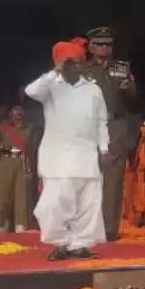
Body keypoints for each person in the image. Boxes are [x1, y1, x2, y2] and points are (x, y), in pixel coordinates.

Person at [25, 40, 109, 259]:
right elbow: (30, 90)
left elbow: (101, 121)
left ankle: (81, 245)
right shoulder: (51, 87)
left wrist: (104, 148)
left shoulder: (93, 89)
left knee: (88, 203)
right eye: (71, 63)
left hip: (86, 155)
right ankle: (60, 243)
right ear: (61, 64)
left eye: (80, 62)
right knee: (54, 203)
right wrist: (55, 71)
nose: (77, 67)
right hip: (57, 157)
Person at [82, 26, 137, 240]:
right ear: (90, 47)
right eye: (100, 44)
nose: (105, 48)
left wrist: (128, 90)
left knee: (113, 177)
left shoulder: (122, 68)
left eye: (109, 44)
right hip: (89, 125)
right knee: (86, 173)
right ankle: (85, 224)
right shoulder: (83, 69)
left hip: (115, 123)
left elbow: (134, 100)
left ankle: (109, 229)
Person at [0, 100, 35, 233]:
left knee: (22, 196)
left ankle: (21, 225)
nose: (17, 114)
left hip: (22, 162)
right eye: (15, 111)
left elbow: (31, 149)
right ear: (10, 113)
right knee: (0, 195)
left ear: (23, 113)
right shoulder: (1, 127)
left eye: (20, 111)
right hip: (5, 161)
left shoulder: (30, 128)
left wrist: (30, 168)